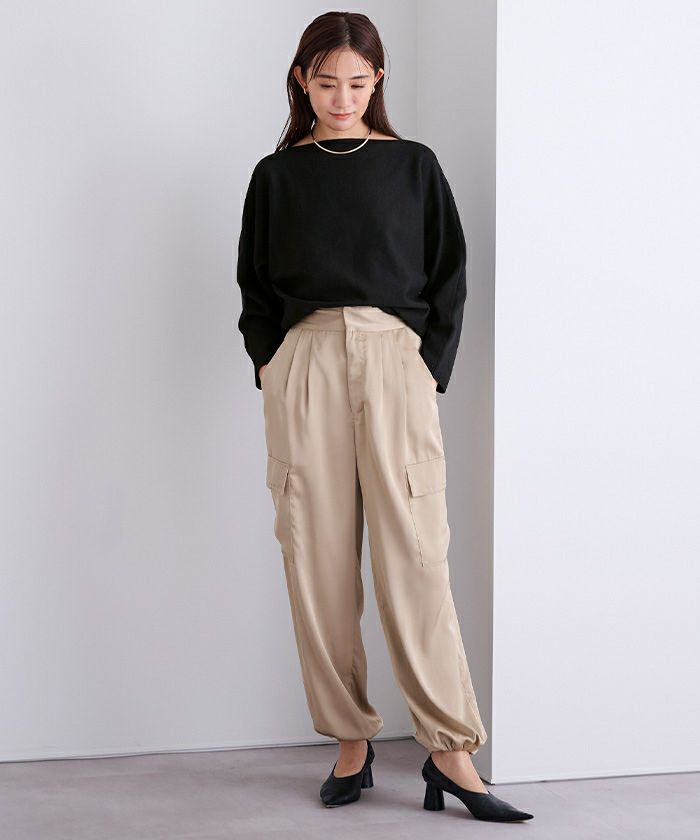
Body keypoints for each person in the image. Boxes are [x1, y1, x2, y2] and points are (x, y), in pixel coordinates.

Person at [235, 11, 533, 823]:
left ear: (377, 82)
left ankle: (450, 750)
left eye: (358, 83)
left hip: (395, 358)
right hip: (304, 360)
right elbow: (254, 283)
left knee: (417, 554)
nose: (342, 97)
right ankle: (350, 741)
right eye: (327, 82)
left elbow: (449, 273)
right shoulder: (277, 175)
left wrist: (426, 366)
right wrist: (270, 362)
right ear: (302, 81)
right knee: (316, 556)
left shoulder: (413, 165)